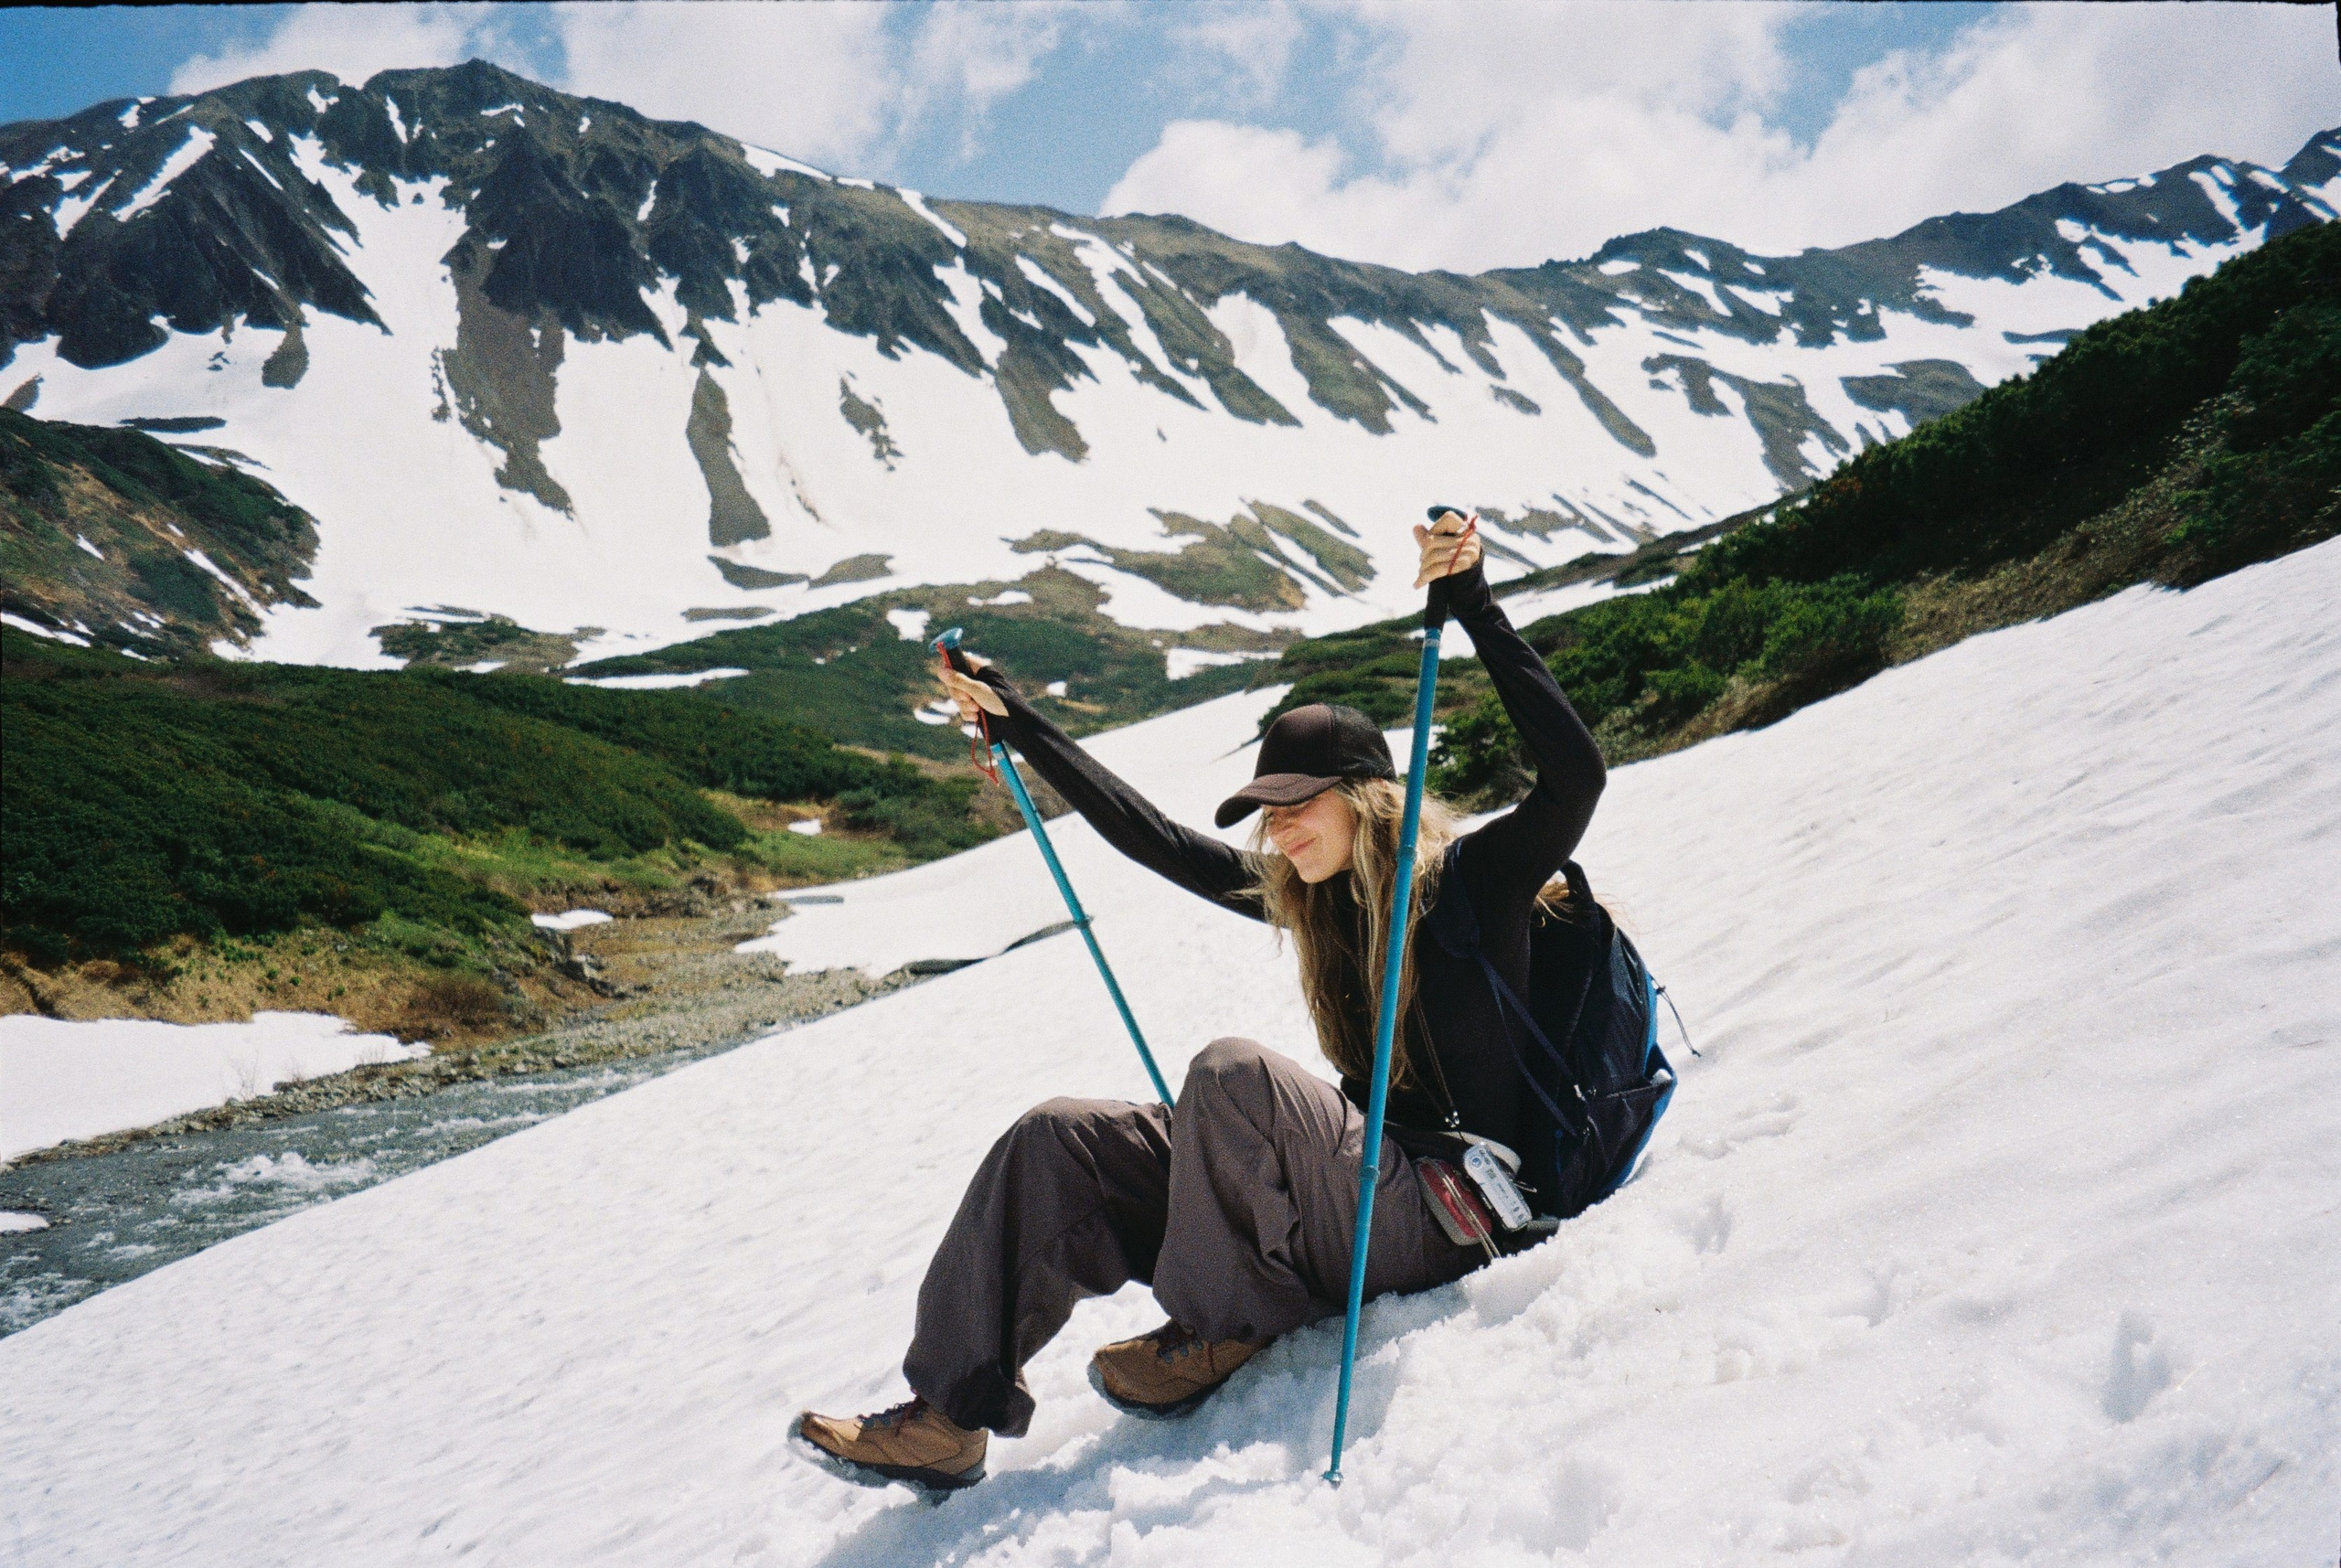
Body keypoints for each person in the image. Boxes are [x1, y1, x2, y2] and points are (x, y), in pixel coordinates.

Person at [797, 508, 1608, 1489]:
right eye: (1270, 809)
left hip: (1448, 1208)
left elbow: (1575, 775)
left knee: (1232, 1072)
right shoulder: (1311, 901)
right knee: (1058, 1136)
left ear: (1366, 795)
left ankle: (1226, 1320)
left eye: (1299, 802)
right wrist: (1023, 724)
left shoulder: (1472, 883)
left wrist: (1472, 598)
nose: (1281, 829)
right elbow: (1156, 840)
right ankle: (946, 1414)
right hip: (1349, 1190)